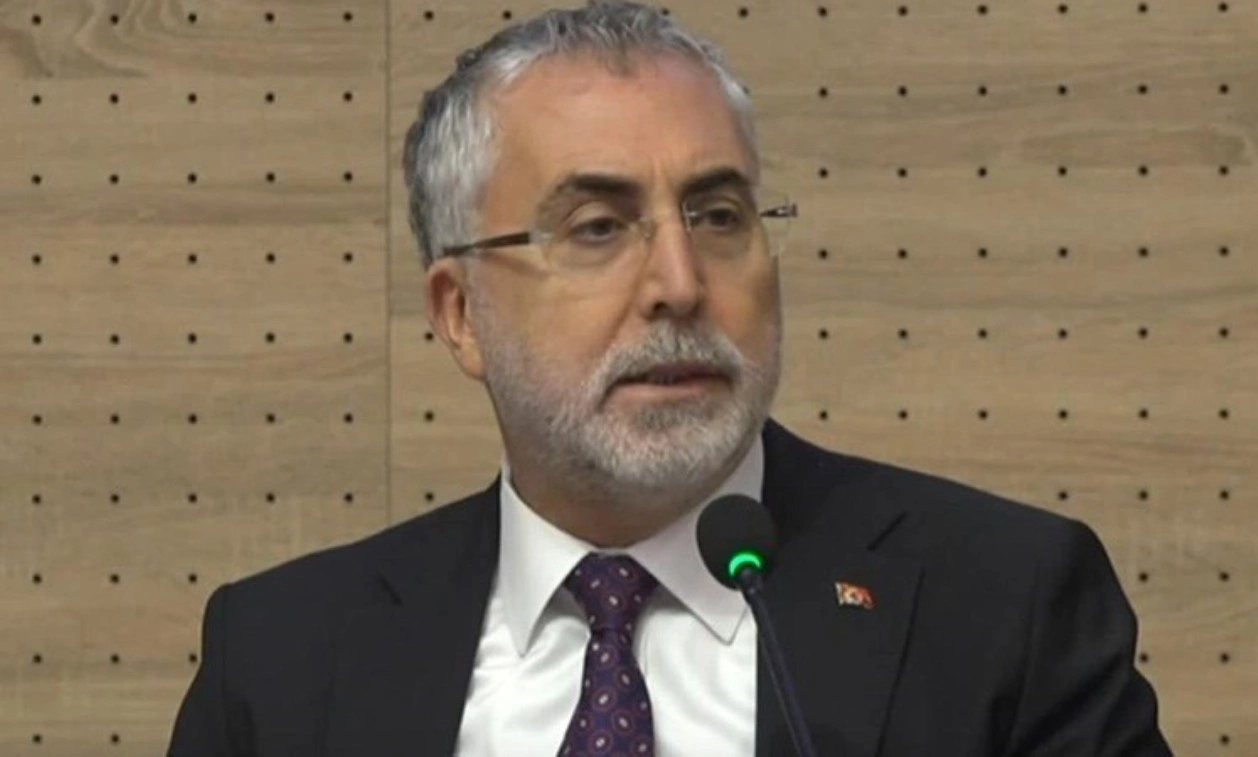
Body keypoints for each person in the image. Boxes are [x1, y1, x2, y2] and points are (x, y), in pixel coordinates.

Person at [168, 2, 1173, 755]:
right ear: (460, 313)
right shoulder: (283, 659)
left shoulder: (1001, 605)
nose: (681, 285)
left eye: (719, 216)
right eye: (597, 228)